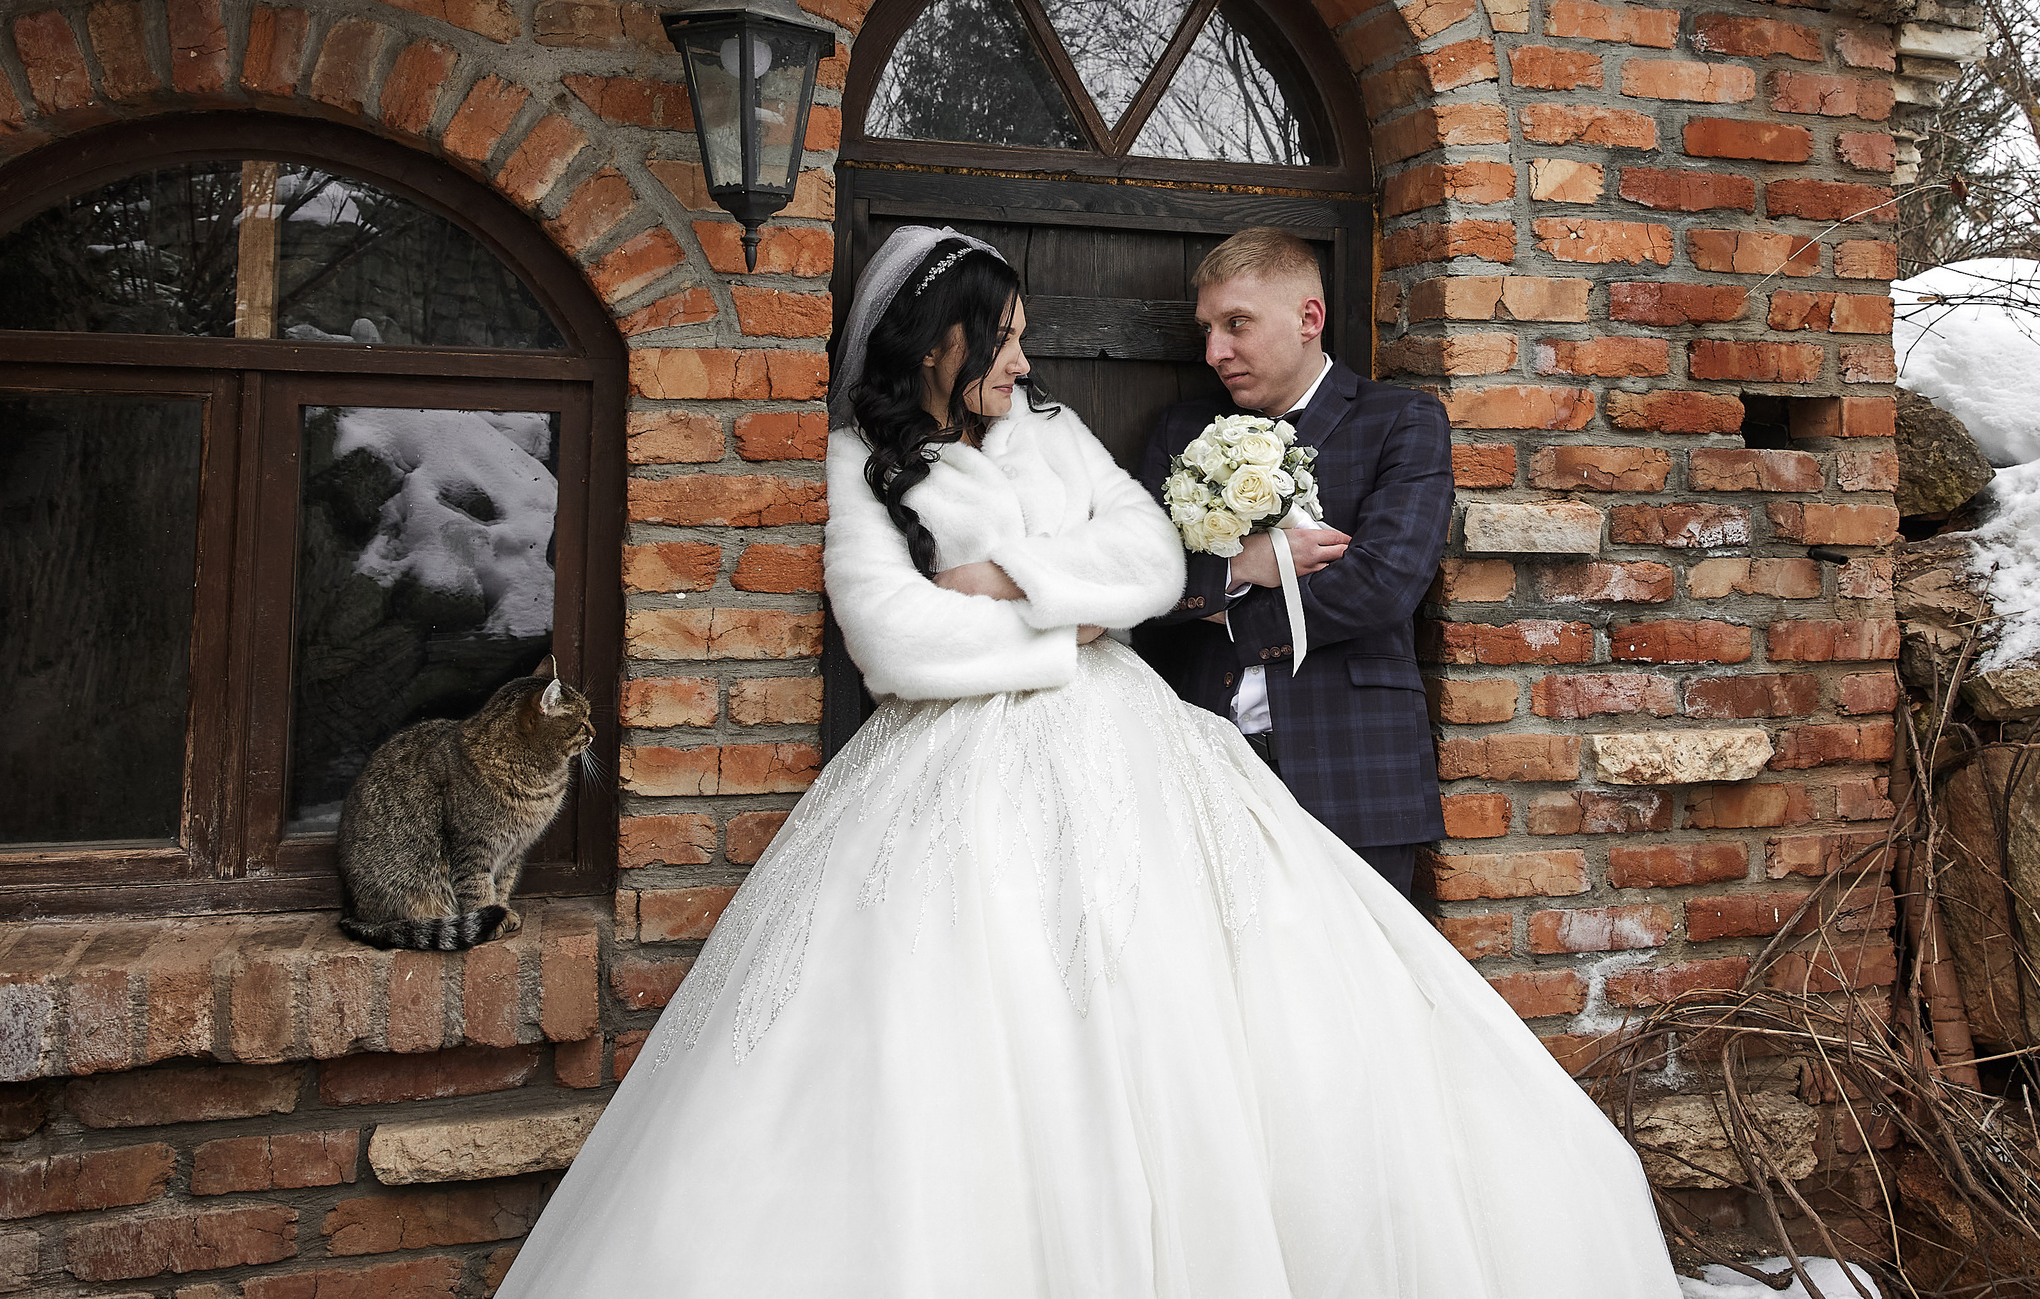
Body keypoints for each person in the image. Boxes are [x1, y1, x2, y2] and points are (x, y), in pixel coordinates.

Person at [495, 225, 1683, 1299]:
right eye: (1002, 342)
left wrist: (1018, 589)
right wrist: (1072, 630)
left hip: (1135, 747)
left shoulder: (1054, 435)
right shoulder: (864, 465)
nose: (1022, 363)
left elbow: (1151, 566)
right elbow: (897, 640)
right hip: (949, 769)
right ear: (936, 345)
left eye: (1023, 340)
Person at [1131, 227, 1446, 894]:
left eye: (1236, 323)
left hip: (1354, 771)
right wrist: (1246, 566)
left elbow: (1382, 584)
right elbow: (1136, 582)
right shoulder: (1181, 432)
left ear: (1309, 318)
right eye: (1207, 329)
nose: (1215, 351)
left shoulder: (1403, 422)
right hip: (1200, 764)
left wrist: (1229, 620)